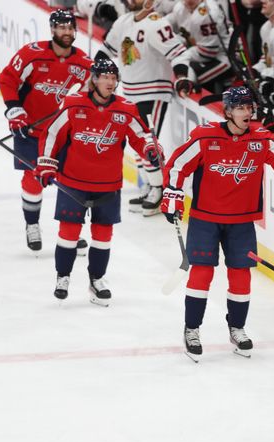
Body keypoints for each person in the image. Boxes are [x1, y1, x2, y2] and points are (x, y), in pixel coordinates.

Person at [160, 86, 274, 359]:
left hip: (241, 222)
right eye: (240, 107)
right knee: (201, 274)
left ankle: (237, 327)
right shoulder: (206, 137)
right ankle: (192, 329)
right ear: (228, 112)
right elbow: (178, 165)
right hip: (206, 219)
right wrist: (172, 194)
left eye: (250, 107)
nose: (247, 113)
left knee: (241, 277)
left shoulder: (260, 140)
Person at [36, 59, 160, 305]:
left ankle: (97, 279)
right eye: (106, 77)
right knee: (69, 232)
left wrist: (150, 148)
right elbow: (52, 134)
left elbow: (141, 135)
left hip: (108, 183)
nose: (111, 83)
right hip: (73, 181)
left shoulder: (126, 109)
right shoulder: (72, 104)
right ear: (94, 79)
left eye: (114, 78)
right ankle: (63, 276)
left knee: (103, 235)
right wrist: (46, 164)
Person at [0, 9, 93, 253]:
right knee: (33, 180)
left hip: (62, 135)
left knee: (70, 182)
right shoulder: (32, 54)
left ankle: (69, 230)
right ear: (52, 30)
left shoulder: (83, 64)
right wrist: (14, 110)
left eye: (70, 28)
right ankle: (32, 225)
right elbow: (8, 80)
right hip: (31, 131)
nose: (67, 32)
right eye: (61, 28)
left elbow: (88, 100)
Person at [96, 0, 194, 215]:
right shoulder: (123, 21)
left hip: (154, 91)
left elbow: (178, 53)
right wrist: (92, 74)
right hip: (130, 93)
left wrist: (181, 76)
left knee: (149, 142)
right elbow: (106, 51)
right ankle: (151, 186)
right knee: (138, 142)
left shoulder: (156, 24)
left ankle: (159, 189)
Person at [166, 0, 231, 93]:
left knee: (187, 75)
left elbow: (208, 52)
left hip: (224, 56)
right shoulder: (180, 7)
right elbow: (166, 24)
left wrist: (181, 53)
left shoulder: (208, 13)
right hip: (199, 52)